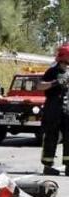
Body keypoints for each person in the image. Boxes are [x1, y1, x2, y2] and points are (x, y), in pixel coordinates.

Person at [37, 44, 69, 175]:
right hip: (53, 108)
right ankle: (48, 165)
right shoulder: (52, 71)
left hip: (67, 109)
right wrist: (55, 82)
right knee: (51, 136)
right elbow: (39, 86)